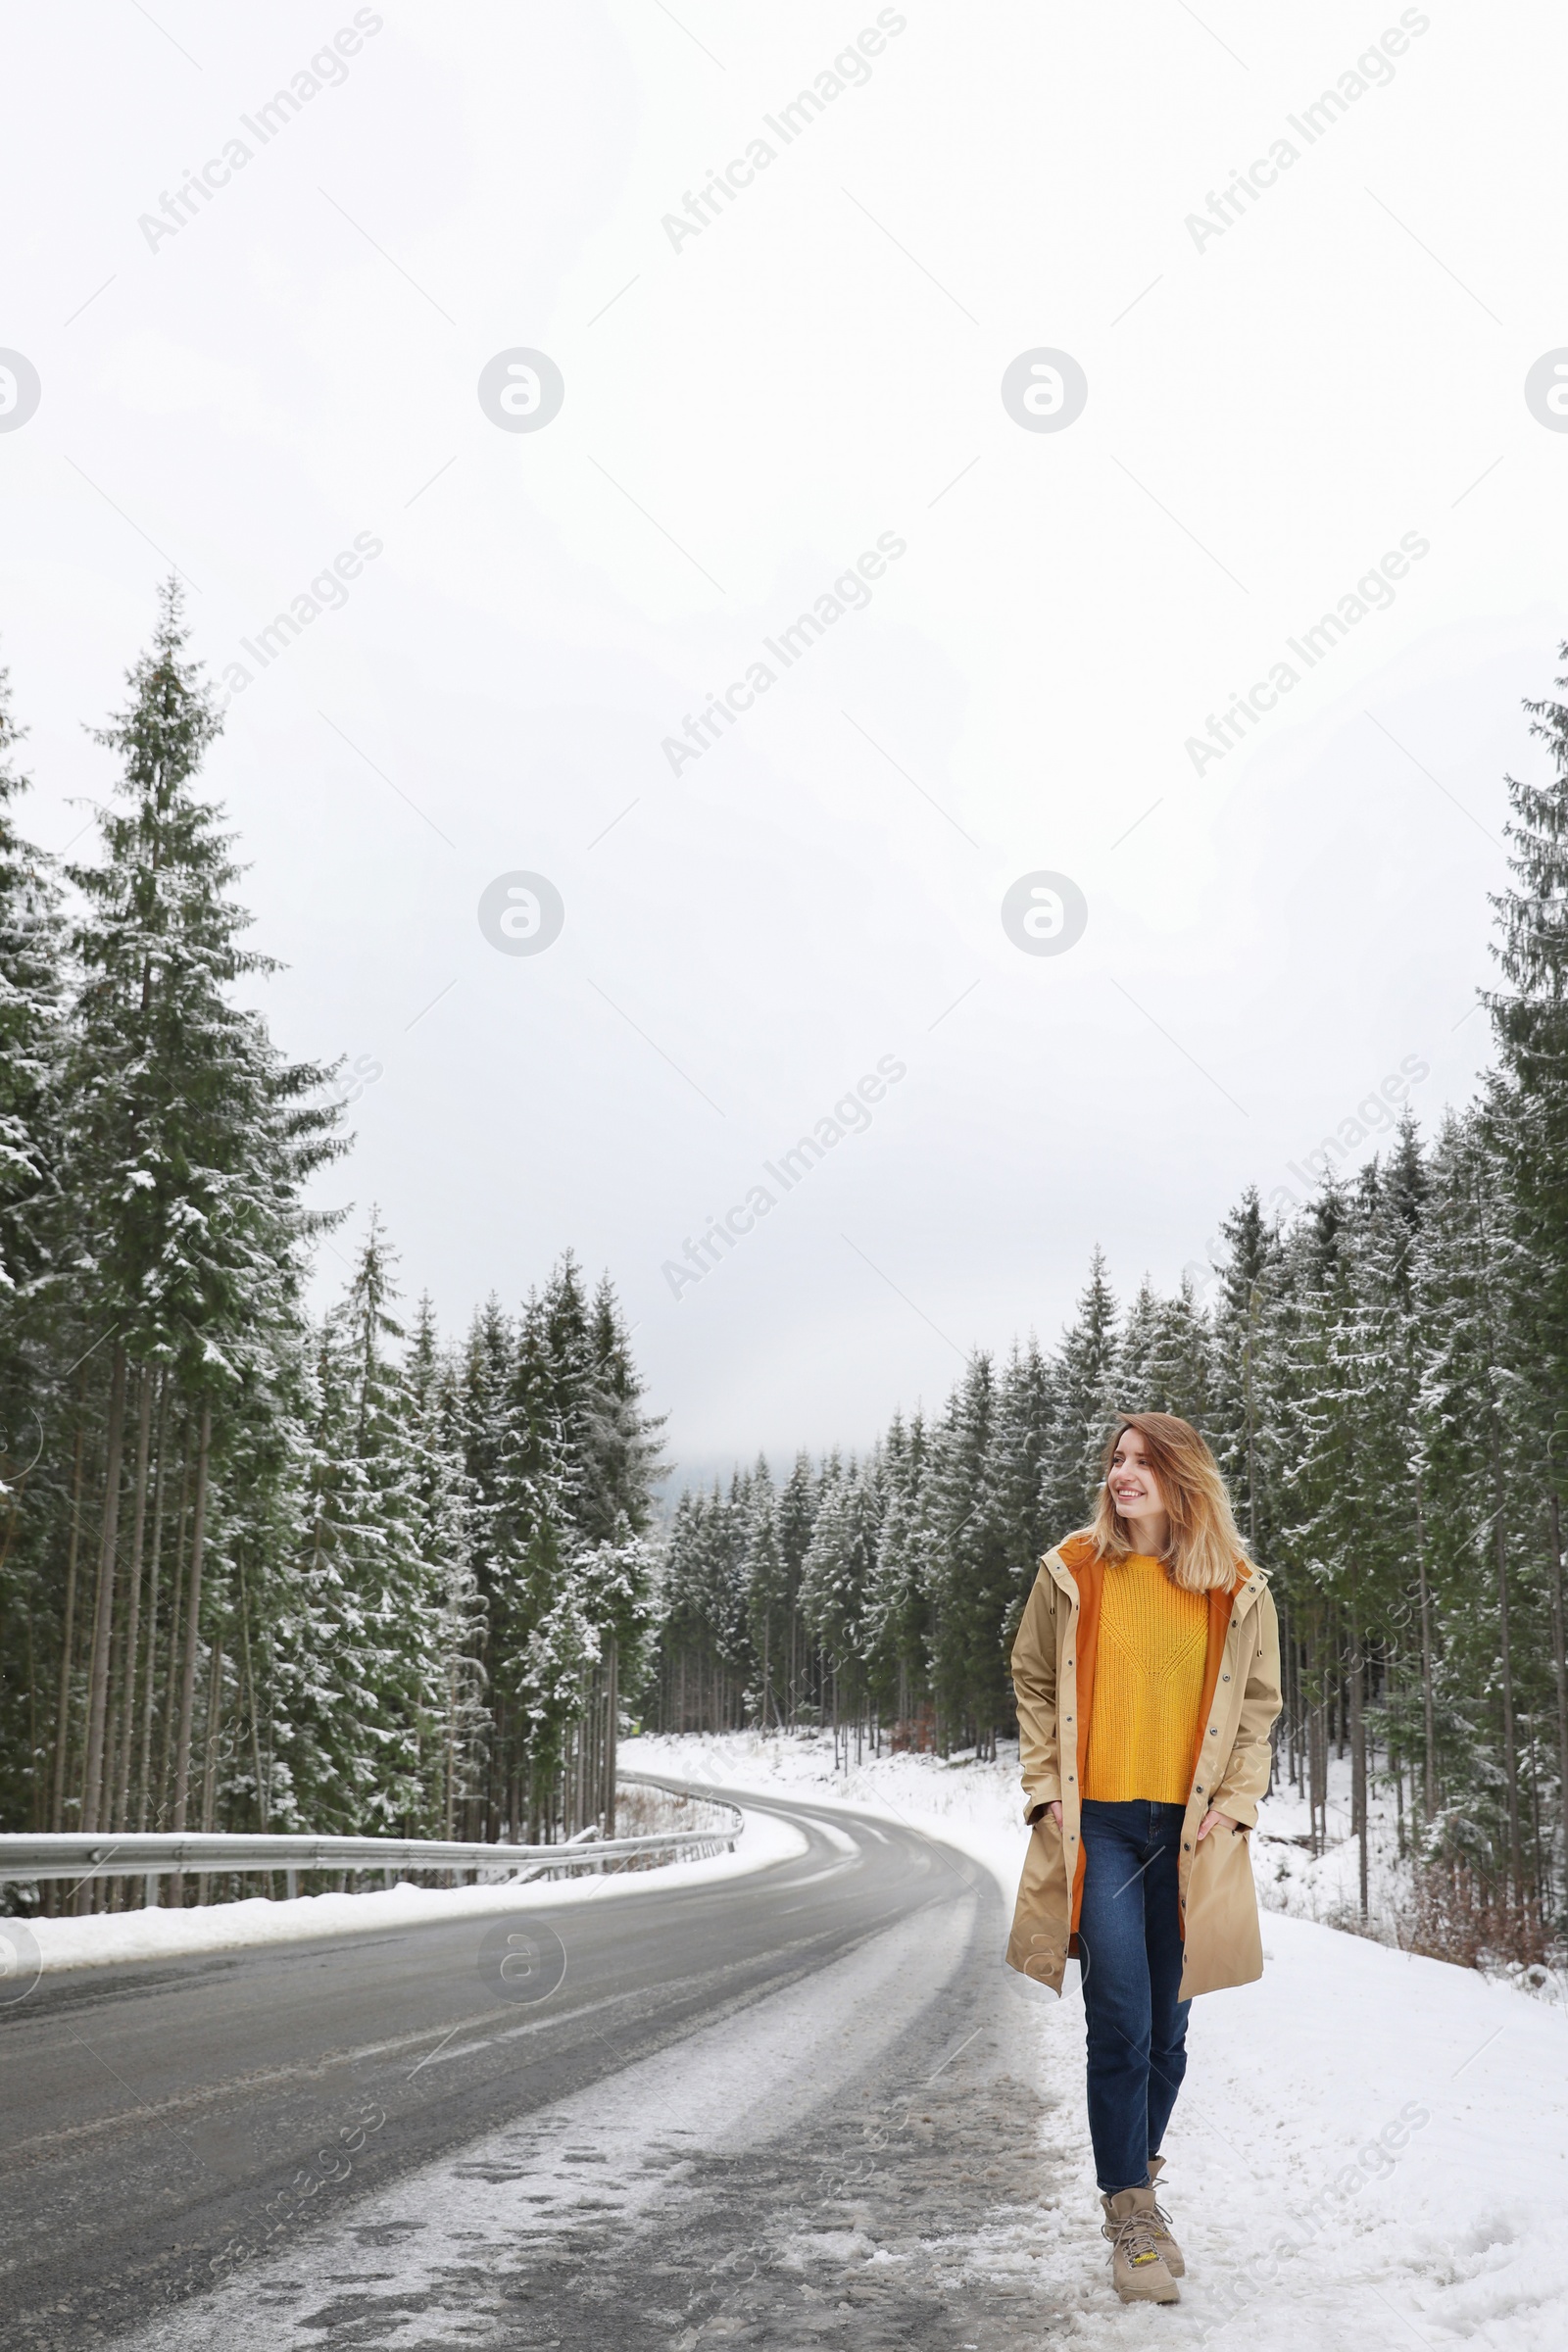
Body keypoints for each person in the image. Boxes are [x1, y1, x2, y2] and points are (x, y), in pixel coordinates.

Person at [1005, 1412, 1282, 2305]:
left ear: (1181, 1477)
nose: (1122, 1475)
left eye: (1141, 1463)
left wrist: (1235, 1807)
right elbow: (1035, 1680)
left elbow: (1257, 1712)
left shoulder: (1236, 1587)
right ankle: (1128, 2213)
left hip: (1190, 1835)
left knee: (1171, 2030)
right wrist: (1048, 1792)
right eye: (1116, 1461)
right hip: (1105, 1830)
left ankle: (1142, 2187)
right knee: (1120, 2019)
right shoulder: (1073, 1571)